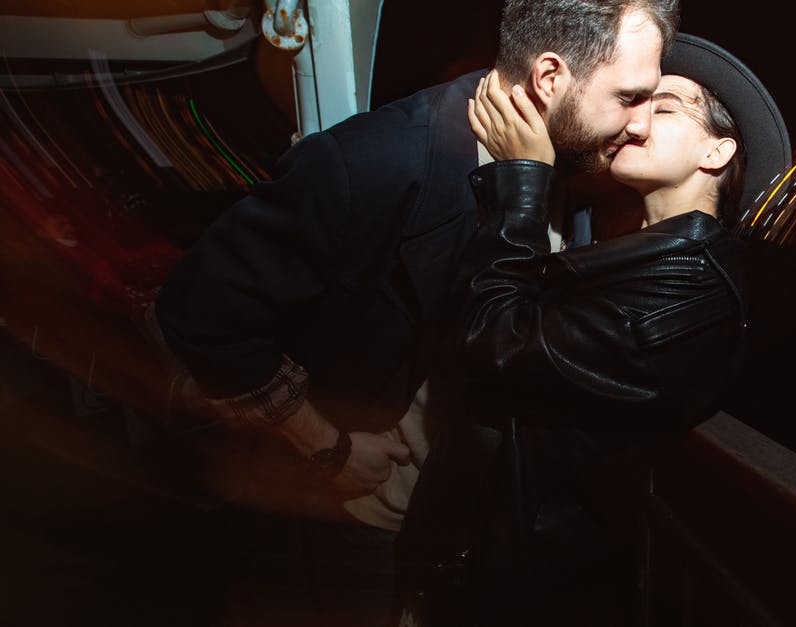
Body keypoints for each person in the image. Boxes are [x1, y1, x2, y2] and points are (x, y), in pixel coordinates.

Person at [139, 2, 681, 626]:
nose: (640, 125)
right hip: (350, 511)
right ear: (550, 78)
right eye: (630, 97)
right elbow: (198, 315)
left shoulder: (569, 171)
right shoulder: (374, 163)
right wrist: (327, 447)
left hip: (458, 518)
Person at [394, 32, 792, 626]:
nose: (634, 122)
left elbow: (490, 344)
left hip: (529, 587)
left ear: (717, 154)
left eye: (662, 108)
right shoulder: (654, 255)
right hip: (493, 556)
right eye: (635, 104)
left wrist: (522, 180)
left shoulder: (689, 292)